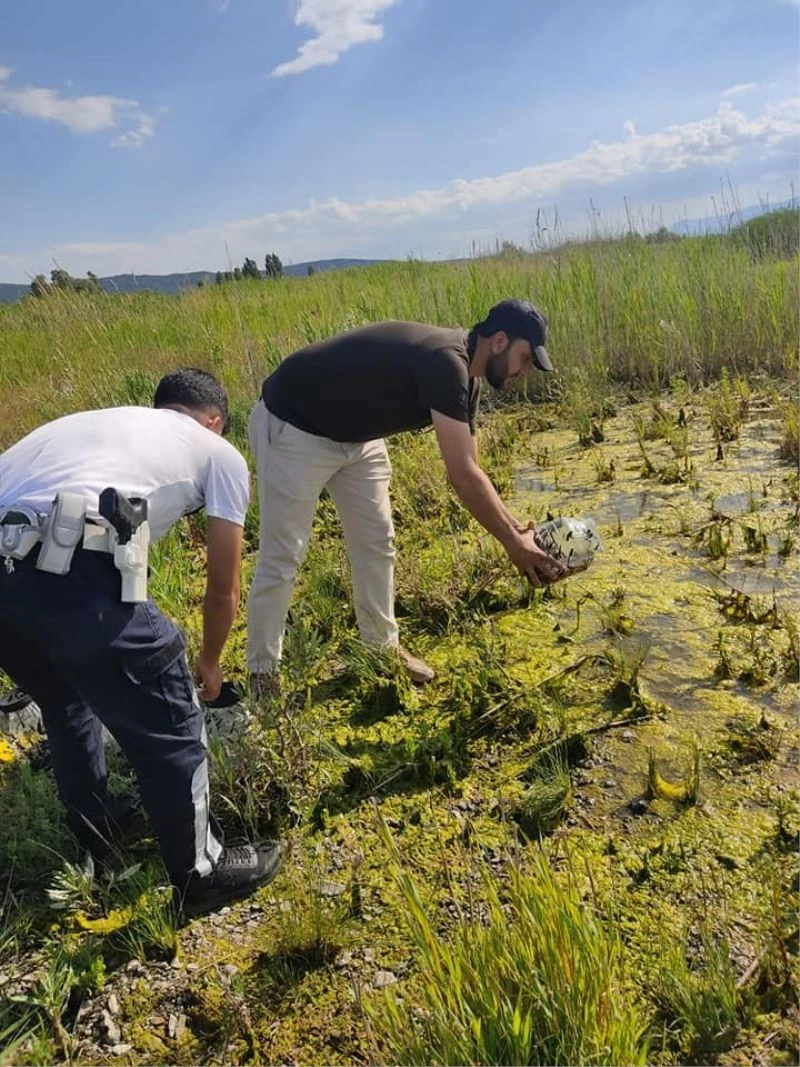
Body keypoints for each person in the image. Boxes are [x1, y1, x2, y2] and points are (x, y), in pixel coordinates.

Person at [0, 369, 281, 918]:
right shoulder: (216, 452)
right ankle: (201, 872)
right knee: (174, 717)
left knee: (65, 702)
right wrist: (210, 661)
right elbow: (223, 585)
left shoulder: (89, 427)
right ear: (214, 421)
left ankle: (98, 823)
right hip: (70, 568)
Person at [247, 299, 564, 692]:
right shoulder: (446, 362)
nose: (526, 372)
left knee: (378, 544)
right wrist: (513, 545)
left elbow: (473, 471)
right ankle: (262, 673)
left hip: (358, 437)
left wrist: (518, 531)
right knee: (283, 555)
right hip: (296, 423)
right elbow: (462, 475)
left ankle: (380, 649)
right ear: (500, 341)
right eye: (525, 359)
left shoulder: (470, 379)